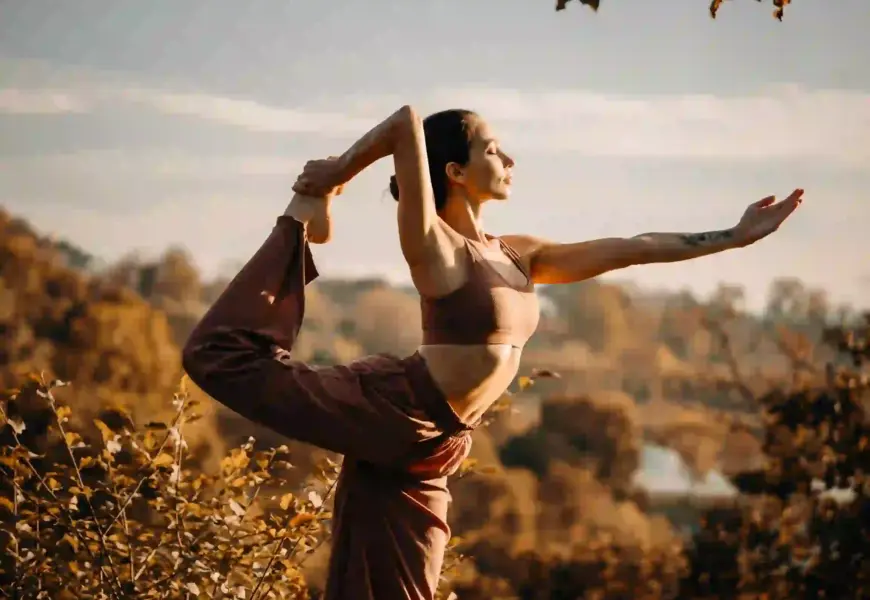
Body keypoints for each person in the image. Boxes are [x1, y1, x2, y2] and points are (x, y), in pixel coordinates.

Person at [181, 105, 804, 599]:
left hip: (436, 442)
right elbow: (404, 122)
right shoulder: (436, 249)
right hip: (390, 407)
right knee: (220, 356)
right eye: (491, 149)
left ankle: (307, 214)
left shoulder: (520, 254)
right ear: (454, 171)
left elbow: (634, 246)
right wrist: (333, 175)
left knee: (397, 588)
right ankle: (298, 219)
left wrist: (733, 237)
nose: (509, 158)